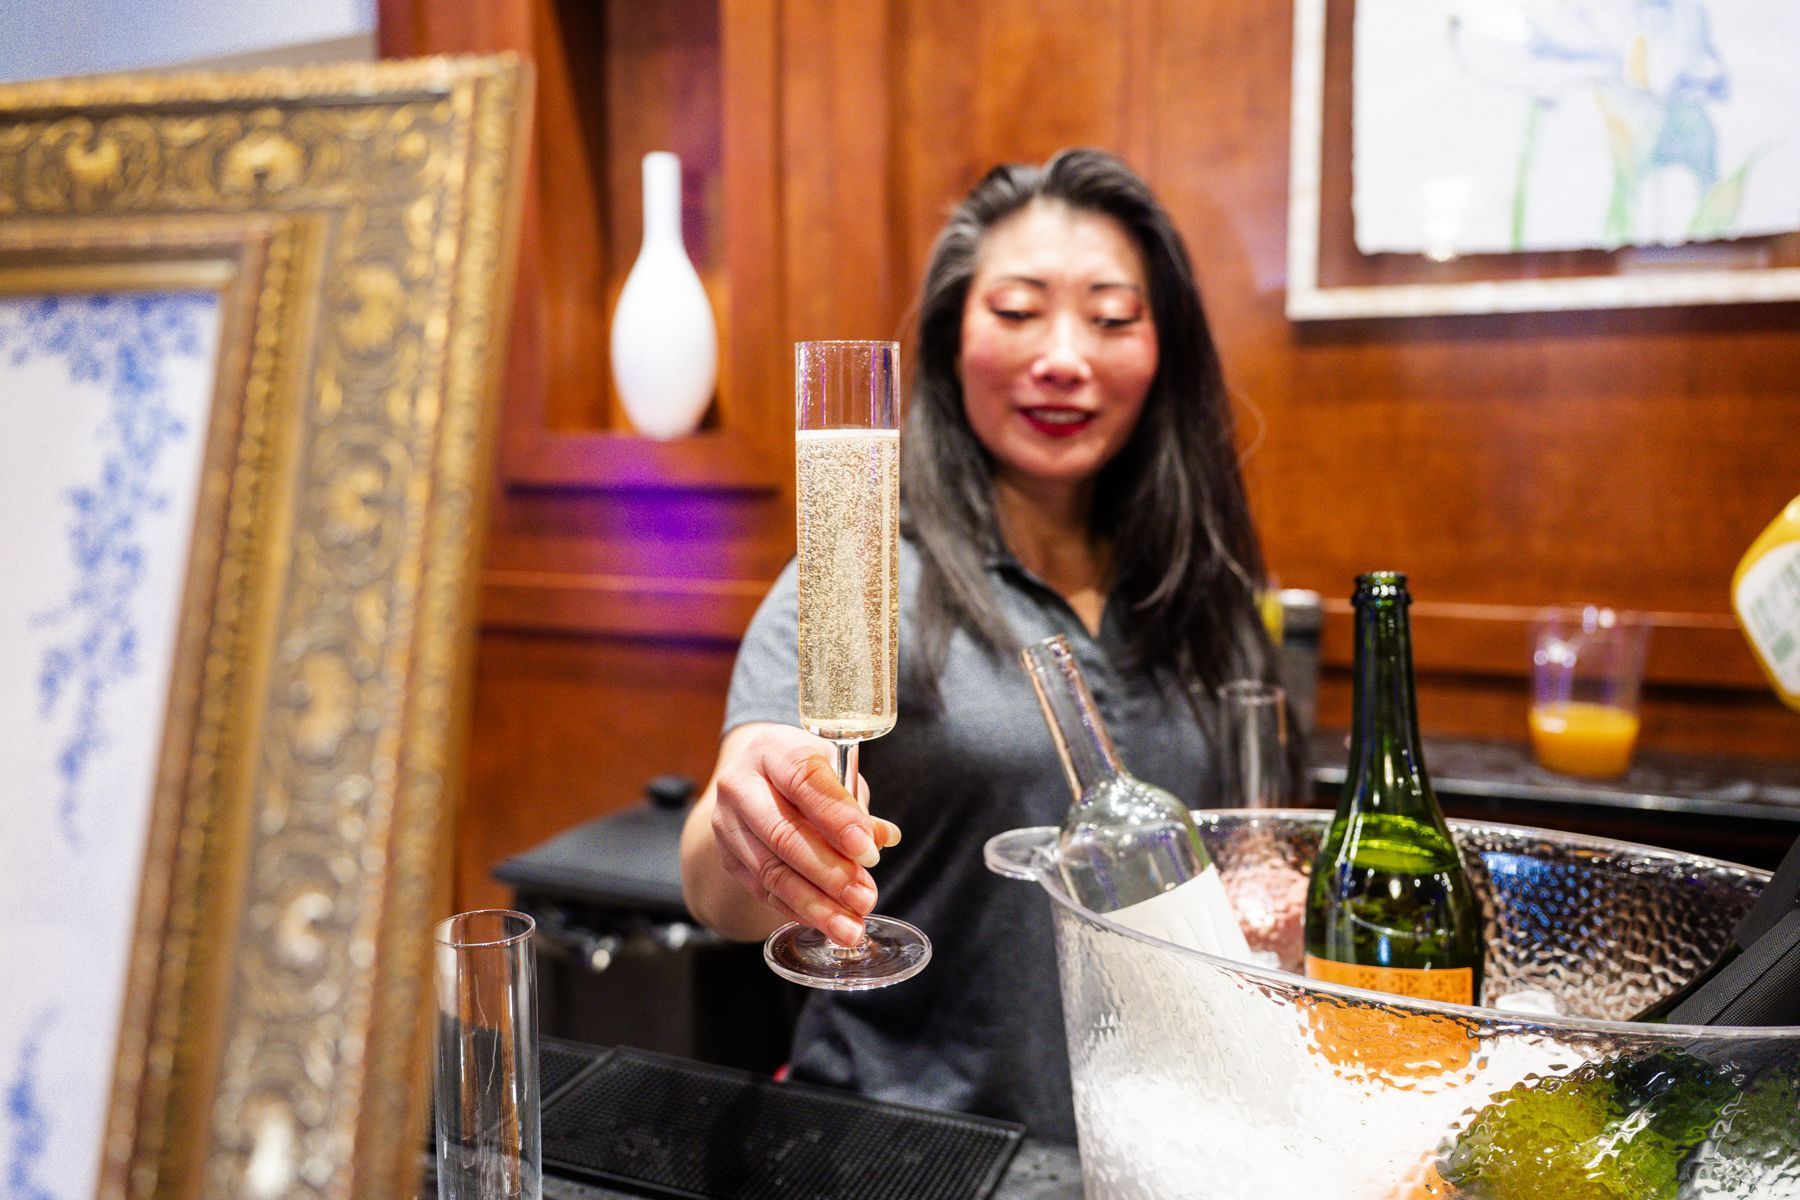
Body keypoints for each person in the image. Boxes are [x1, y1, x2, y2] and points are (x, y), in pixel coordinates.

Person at [678, 147, 1280, 1143]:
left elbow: (1242, 829)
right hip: (911, 1149)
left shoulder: (1199, 578)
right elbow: (714, 880)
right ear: (954, 339)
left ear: (1163, 346)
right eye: (1017, 311)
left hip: (1161, 1137)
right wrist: (750, 818)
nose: (1064, 356)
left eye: (1112, 316)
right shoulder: (868, 572)